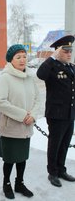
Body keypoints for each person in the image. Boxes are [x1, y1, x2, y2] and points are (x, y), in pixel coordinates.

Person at [0, 44, 40, 199]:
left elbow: (37, 99)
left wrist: (33, 115)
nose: (22, 60)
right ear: (11, 60)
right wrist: (23, 115)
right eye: (18, 57)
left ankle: (19, 183)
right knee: (10, 159)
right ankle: (6, 183)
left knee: (22, 157)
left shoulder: (29, 77)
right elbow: (0, 102)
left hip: (27, 126)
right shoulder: (5, 77)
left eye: (24, 56)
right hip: (11, 127)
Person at [37, 35, 75, 187]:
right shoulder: (51, 67)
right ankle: (52, 172)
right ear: (58, 51)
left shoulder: (71, 67)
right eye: (65, 51)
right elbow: (40, 74)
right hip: (56, 115)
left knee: (65, 143)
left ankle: (61, 169)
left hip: (69, 113)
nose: (69, 53)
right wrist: (52, 57)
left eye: (70, 50)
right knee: (55, 144)